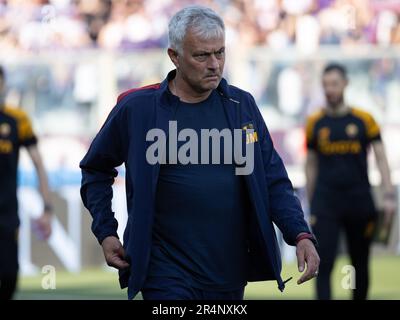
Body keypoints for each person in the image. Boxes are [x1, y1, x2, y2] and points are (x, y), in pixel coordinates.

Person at [80, 5, 319, 301]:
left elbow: (272, 179)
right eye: (202, 55)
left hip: (227, 270)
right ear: (174, 57)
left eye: (220, 53)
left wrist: (300, 234)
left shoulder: (242, 107)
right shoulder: (138, 109)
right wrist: (106, 231)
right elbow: (96, 169)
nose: (214, 64)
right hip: (164, 270)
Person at [305, 63, 396, 300]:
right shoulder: (315, 123)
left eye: (334, 84)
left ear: (345, 84)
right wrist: (310, 201)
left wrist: (388, 195)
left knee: (359, 263)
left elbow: (381, 158)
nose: (329, 89)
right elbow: (311, 164)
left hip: (359, 202)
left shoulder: (365, 120)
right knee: (323, 263)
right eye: (325, 85)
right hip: (326, 204)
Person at [0, 65, 53, 300]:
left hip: (6, 214)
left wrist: (47, 208)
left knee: (9, 276)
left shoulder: (17, 120)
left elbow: (39, 164)